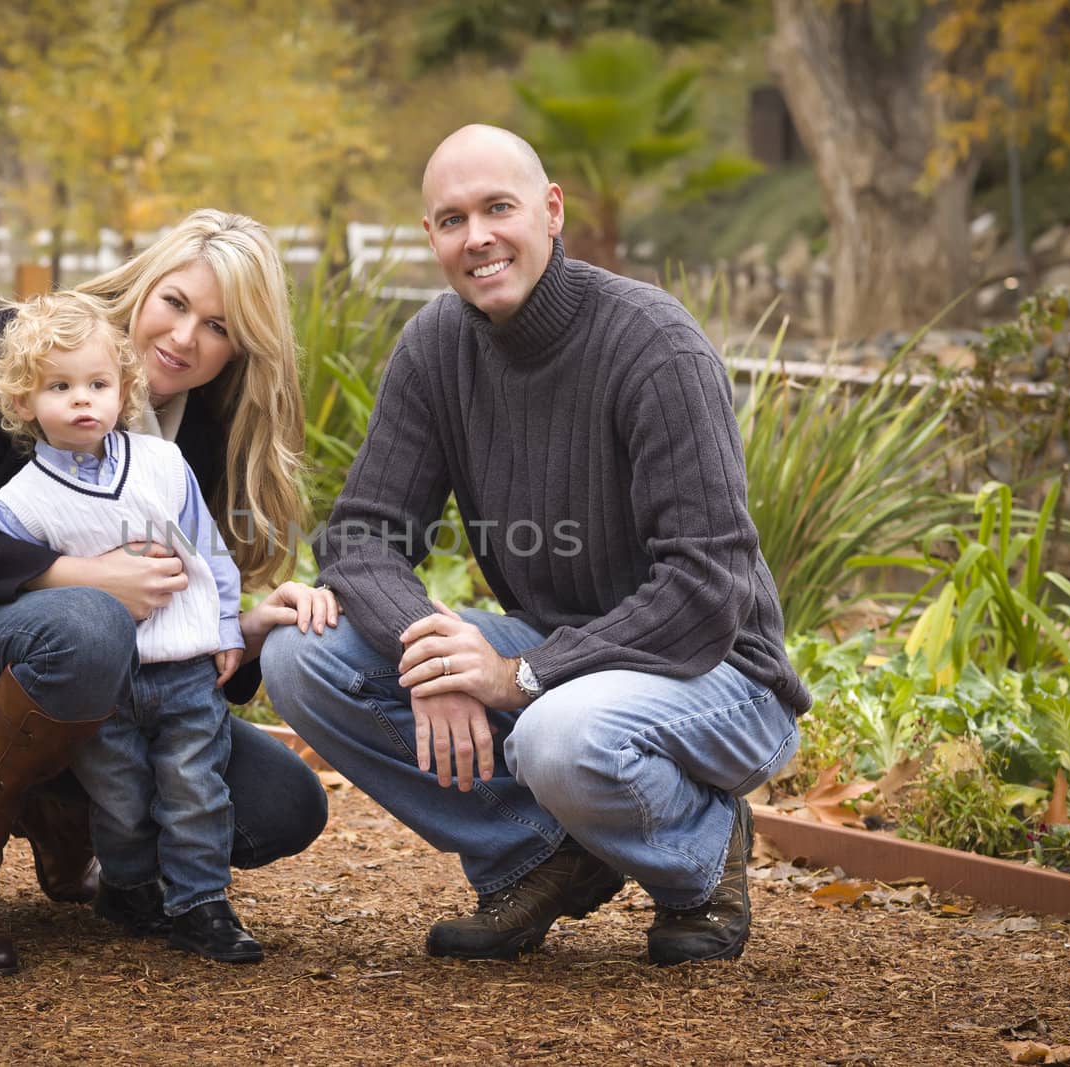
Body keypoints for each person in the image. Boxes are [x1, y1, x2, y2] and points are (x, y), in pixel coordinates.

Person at [263, 125, 810, 966]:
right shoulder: (438, 346)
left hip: (718, 670)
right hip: (563, 651)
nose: (477, 236)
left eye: (498, 208)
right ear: (432, 240)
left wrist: (516, 676)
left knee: (559, 734)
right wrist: (432, 655)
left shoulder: (652, 345)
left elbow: (704, 589)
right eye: (452, 219)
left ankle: (701, 854)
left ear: (551, 212)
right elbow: (361, 535)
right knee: (306, 658)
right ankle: (540, 854)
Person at [0, 209, 337, 976]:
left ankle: (63, 809)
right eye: (177, 302)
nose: (188, 337)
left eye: (219, 327)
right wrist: (77, 574)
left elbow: (175, 619)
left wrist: (248, 626)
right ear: (144, 284)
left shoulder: (187, 434)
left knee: (283, 804)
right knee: (90, 623)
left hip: (113, 690)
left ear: (240, 350)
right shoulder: (22, 355)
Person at [0, 289, 266, 963]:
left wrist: (228, 624)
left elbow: (210, 550)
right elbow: (14, 590)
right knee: (120, 796)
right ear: (24, 401)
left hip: (184, 668)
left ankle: (203, 903)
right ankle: (130, 887)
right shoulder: (19, 503)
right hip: (103, 686)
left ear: (123, 388)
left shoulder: (162, 465)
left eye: (98, 384)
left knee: (195, 786)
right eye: (59, 386)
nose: (82, 399)